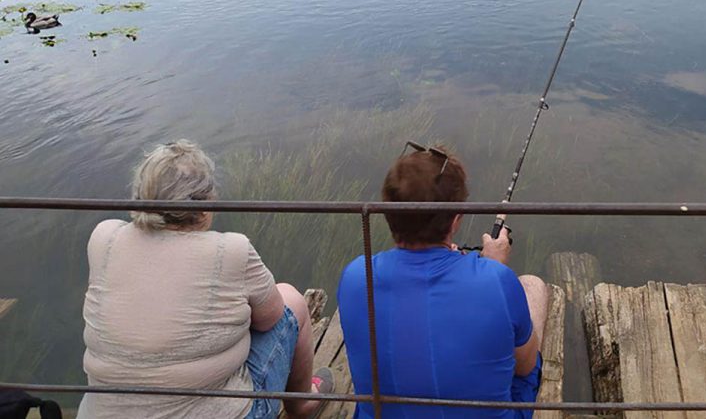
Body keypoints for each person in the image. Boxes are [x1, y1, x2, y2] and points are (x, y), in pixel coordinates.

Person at [78, 140, 332, 419]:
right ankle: (303, 403)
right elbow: (271, 318)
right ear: (204, 206)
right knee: (292, 300)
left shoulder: (104, 237)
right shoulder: (231, 250)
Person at [338, 144, 548, 418]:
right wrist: (491, 268)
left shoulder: (356, 275)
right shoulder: (495, 280)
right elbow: (525, 366)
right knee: (533, 286)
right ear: (455, 221)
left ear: (388, 214)